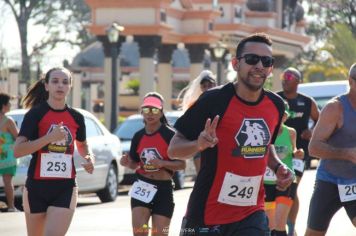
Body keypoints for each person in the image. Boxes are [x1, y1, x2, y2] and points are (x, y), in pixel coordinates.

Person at [168, 33, 294, 236]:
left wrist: (278, 166)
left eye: (266, 61)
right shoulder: (213, 100)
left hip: (251, 213)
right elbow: (173, 149)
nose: (259, 66)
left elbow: (266, 146)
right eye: (252, 59)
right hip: (206, 214)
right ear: (235, 64)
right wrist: (198, 145)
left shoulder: (276, 106)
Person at [13, 67, 94, 236]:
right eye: (55, 81)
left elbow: (83, 144)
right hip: (36, 186)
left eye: (65, 82)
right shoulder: (35, 115)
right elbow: (18, 151)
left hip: (65, 187)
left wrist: (89, 157)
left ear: (70, 87)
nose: (60, 86)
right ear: (47, 86)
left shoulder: (76, 117)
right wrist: (49, 138)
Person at [120, 92, 186, 236]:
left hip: (164, 189)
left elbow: (182, 165)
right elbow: (135, 164)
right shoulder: (138, 136)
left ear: (161, 111)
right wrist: (127, 162)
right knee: (140, 232)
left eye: (155, 109)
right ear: (141, 111)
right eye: (146, 109)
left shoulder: (170, 135)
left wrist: (162, 163)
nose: (150, 114)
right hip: (142, 186)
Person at [305, 63, 356, 236]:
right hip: (329, 181)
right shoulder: (335, 108)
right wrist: (347, 154)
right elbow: (314, 148)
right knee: (314, 233)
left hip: (355, 181)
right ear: (350, 81)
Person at [277, 68, 320, 236]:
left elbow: (320, 120)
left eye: (288, 76)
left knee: (291, 188)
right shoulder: (276, 98)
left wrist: (312, 131)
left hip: (298, 153)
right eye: (283, 76)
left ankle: (290, 227)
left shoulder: (307, 102)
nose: (284, 79)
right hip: (276, 152)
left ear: (298, 81)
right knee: (275, 189)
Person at [264, 101, 304, 236]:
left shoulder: (291, 132)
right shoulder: (264, 132)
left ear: (286, 117)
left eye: (283, 115)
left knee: (280, 226)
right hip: (267, 183)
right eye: (277, 114)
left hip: (286, 183)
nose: (280, 117)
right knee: (271, 227)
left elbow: (294, 150)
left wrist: (298, 153)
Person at [177, 70, 217, 173]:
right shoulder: (196, 104)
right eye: (204, 86)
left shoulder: (222, 100)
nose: (207, 88)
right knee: (201, 175)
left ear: (215, 84)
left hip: (219, 142)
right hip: (201, 143)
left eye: (210, 85)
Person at [0, 93, 19, 212]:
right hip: (7, 156)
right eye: (8, 104)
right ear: (3, 105)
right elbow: (18, 137)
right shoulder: (8, 121)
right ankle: (11, 207)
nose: (10, 105)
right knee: (8, 182)